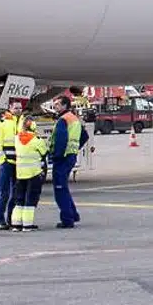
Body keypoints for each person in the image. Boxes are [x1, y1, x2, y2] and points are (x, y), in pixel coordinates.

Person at [51, 97, 90, 228]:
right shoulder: (73, 118)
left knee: (59, 189)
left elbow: (61, 140)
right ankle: (73, 214)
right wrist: (74, 149)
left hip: (63, 158)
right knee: (64, 187)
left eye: (57, 104)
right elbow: (85, 136)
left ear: (65, 105)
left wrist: (56, 155)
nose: (54, 106)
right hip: (70, 156)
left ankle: (67, 219)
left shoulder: (63, 120)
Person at [11, 115, 48, 231]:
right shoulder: (37, 140)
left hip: (20, 174)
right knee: (30, 200)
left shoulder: (16, 138)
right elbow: (44, 152)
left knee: (19, 200)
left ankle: (16, 224)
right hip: (34, 174)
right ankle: (27, 224)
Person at [0, 101, 23, 230]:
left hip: (19, 163)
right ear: (10, 108)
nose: (18, 110)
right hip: (6, 163)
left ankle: (11, 219)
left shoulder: (23, 122)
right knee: (4, 193)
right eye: (16, 108)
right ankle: (0, 220)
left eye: (20, 108)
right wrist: (2, 160)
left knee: (15, 193)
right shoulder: (2, 123)